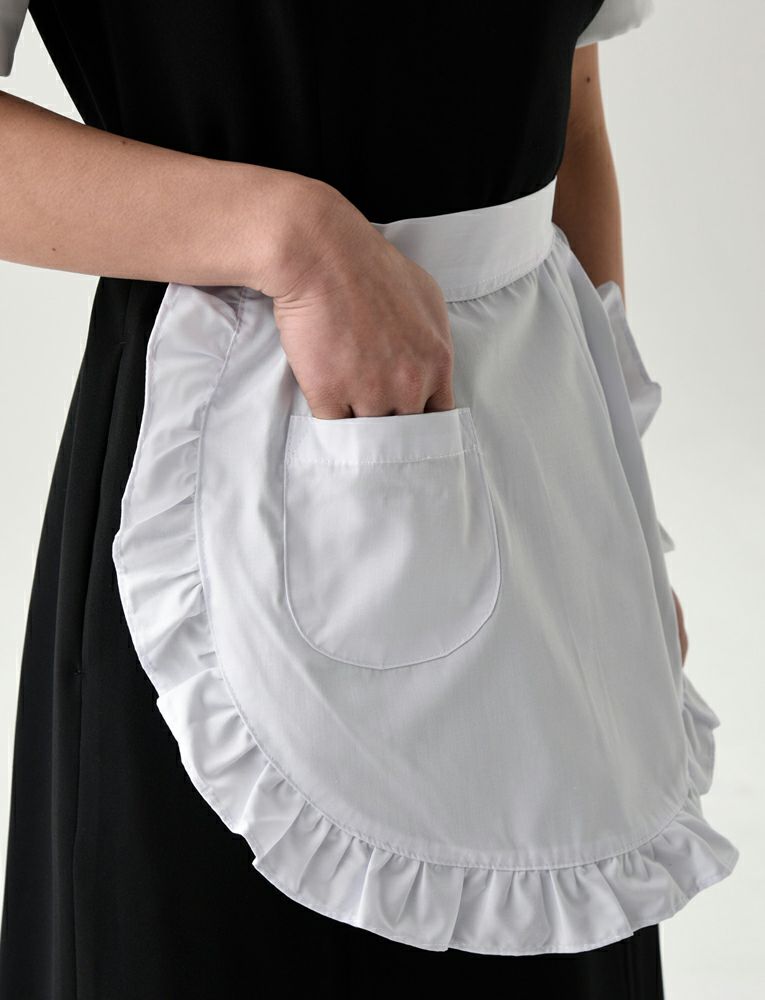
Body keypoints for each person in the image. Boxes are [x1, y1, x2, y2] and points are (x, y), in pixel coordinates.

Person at [0, 3, 738, 998]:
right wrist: (289, 239)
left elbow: (569, 123)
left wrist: (618, 517)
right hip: (215, 514)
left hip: (547, 524)